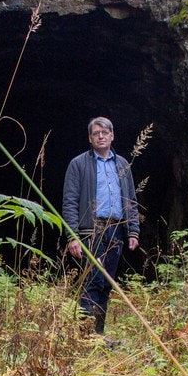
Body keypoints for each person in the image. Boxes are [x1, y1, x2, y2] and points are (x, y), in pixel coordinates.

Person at [61, 117, 140, 335]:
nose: (101, 136)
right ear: (90, 138)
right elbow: (70, 201)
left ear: (112, 135)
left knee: (106, 285)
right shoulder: (78, 164)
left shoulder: (122, 164)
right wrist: (72, 236)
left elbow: (131, 200)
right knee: (92, 282)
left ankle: (99, 335)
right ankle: (86, 337)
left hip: (116, 230)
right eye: (96, 133)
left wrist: (133, 230)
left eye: (105, 132)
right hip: (91, 230)